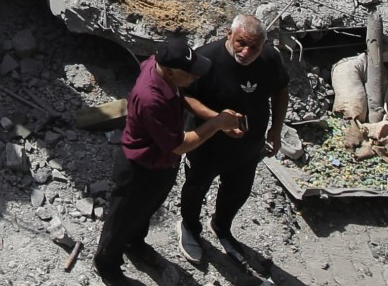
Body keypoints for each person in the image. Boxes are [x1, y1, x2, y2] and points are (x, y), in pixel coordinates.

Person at [93, 36, 245, 285]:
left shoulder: (160, 68)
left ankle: (135, 243)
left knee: (145, 210)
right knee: (121, 220)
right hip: (139, 169)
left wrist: (216, 117)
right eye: (191, 74)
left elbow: (182, 98)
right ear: (172, 72)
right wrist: (216, 124)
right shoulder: (152, 98)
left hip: (161, 165)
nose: (196, 78)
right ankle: (107, 265)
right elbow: (179, 145)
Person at [177, 15, 289, 267]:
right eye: (241, 43)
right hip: (206, 145)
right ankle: (189, 228)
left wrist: (276, 129)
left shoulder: (270, 59)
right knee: (196, 188)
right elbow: (184, 96)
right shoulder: (205, 60)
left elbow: (282, 89)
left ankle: (221, 226)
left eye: (255, 47)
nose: (247, 52)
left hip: (248, 147)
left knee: (238, 191)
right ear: (229, 34)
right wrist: (217, 120)